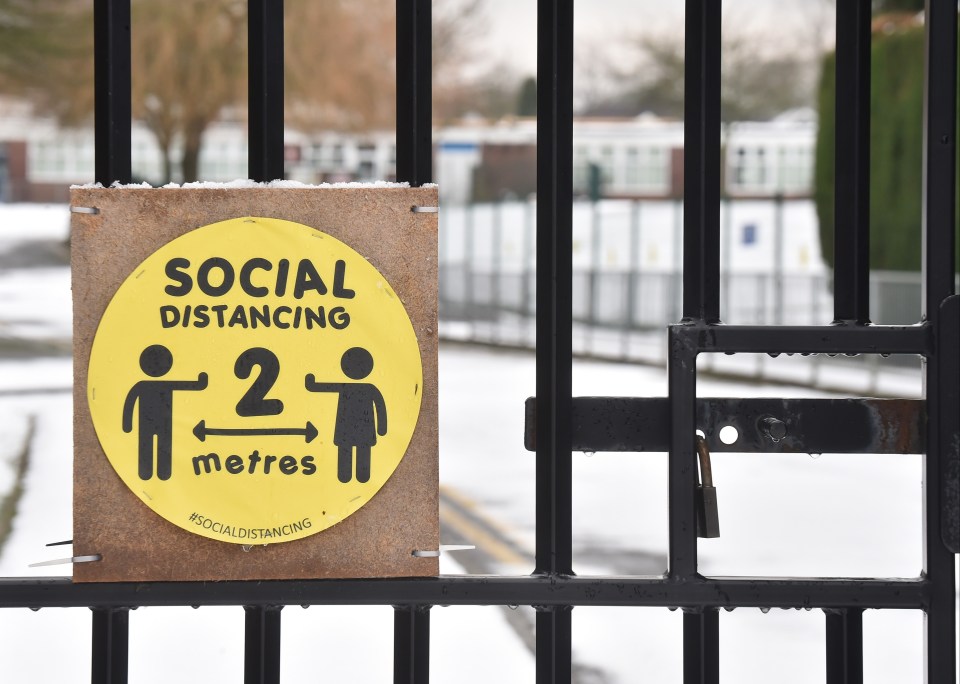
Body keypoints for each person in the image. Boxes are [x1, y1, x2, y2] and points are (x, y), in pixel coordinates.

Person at [122, 344, 208, 480]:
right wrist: (127, 425)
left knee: (162, 446)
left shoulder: (144, 385)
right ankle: (149, 473)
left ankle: (162, 472)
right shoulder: (143, 385)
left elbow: (130, 403)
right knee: (149, 446)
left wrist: (127, 425)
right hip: (152, 423)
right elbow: (130, 403)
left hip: (160, 424)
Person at [305, 347, 387, 483]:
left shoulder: (363, 388)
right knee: (356, 450)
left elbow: (380, 406)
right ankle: (351, 476)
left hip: (349, 429)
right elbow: (380, 407)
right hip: (359, 429)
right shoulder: (367, 388)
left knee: (353, 451)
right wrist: (381, 428)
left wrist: (310, 383)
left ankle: (355, 476)